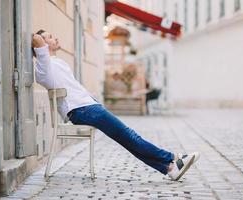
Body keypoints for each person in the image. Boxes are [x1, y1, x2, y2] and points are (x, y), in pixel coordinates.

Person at [32, 30, 200, 181]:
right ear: (42, 46)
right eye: (50, 37)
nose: (56, 38)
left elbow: (40, 43)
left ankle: (170, 168)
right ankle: (173, 157)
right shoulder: (44, 68)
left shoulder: (56, 62)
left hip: (87, 108)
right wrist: (37, 39)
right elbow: (36, 40)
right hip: (82, 110)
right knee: (129, 135)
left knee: (127, 138)